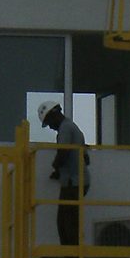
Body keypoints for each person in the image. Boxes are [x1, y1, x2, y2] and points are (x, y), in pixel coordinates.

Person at [38, 100, 88, 246]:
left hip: (74, 181)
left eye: (49, 122)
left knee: (66, 220)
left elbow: (63, 151)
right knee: (68, 219)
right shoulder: (72, 127)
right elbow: (84, 157)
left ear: (54, 115)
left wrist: (55, 167)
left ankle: (71, 254)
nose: (51, 127)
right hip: (76, 180)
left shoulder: (65, 128)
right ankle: (72, 252)